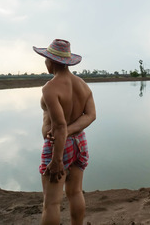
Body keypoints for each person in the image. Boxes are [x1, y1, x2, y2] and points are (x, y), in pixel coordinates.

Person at [33, 39, 96, 225]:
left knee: (51, 202)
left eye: (46, 58)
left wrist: (57, 160)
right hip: (80, 142)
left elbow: (59, 126)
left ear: (51, 61)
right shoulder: (83, 85)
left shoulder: (50, 88)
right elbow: (91, 115)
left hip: (58, 147)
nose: (45, 62)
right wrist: (70, 132)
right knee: (75, 192)